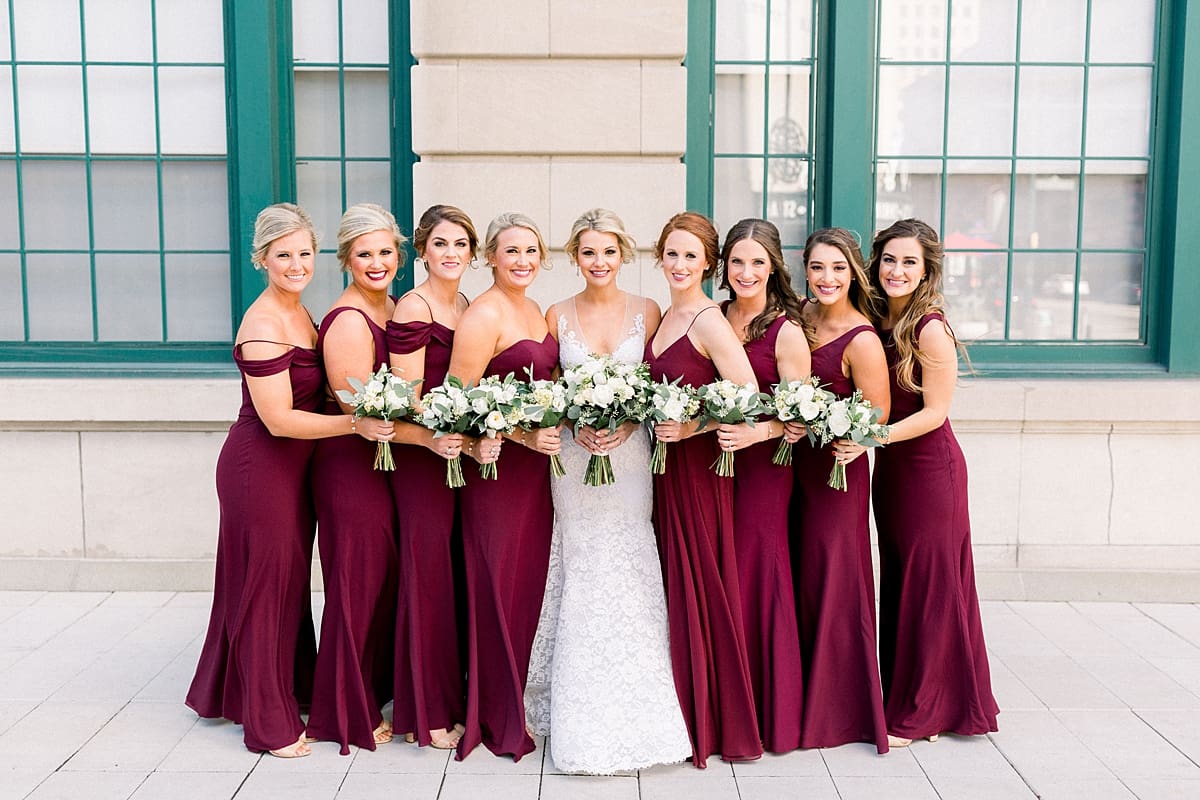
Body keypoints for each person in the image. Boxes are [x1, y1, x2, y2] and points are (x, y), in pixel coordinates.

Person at [186, 204, 394, 759]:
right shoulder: (263, 323)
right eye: (284, 256)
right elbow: (278, 419)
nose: (297, 264)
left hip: (298, 466)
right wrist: (356, 423)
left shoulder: (301, 314)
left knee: (288, 586)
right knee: (266, 589)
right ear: (263, 260)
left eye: (305, 253)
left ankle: (293, 688)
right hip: (261, 467)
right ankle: (268, 721)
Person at [525, 208, 691, 773]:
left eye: (609, 252)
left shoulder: (648, 310)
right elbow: (544, 390)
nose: (600, 262)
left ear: (625, 255)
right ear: (575, 256)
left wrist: (628, 422)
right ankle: (574, 708)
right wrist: (573, 424)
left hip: (629, 459)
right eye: (589, 252)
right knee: (582, 562)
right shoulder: (556, 314)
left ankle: (644, 703)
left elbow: (661, 384)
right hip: (574, 461)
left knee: (629, 557)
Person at [866, 218, 999, 744]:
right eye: (890, 260)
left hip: (929, 471)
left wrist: (873, 438)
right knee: (902, 581)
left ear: (926, 272)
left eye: (909, 263)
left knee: (931, 587)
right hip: (893, 473)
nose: (896, 270)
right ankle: (913, 696)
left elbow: (936, 412)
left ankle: (925, 714)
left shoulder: (929, 328)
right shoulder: (878, 319)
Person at [644, 211, 762, 768]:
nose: (680, 264)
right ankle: (677, 707)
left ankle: (716, 720)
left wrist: (694, 426)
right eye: (672, 253)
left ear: (708, 263)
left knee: (701, 582)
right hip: (663, 470)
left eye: (691, 255)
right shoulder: (666, 315)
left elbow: (748, 393)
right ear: (659, 257)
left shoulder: (708, 319)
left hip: (698, 470)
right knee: (671, 581)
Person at [447, 212, 559, 762]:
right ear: (490, 256)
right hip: (496, 473)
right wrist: (521, 436)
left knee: (526, 589)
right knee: (497, 586)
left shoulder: (536, 310)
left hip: (536, 476)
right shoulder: (483, 314)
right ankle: (495, 714)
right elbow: (458, 400)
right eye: (511, 251)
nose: (522, 261)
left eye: (531, 251)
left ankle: (515, 697)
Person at [788, 227, 894, 753]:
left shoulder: (864, 338)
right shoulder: (798, 319)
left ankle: (840, 709)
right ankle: (795, 696)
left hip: (836, 472)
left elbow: (878, 416)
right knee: (799, 579)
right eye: (816, 268)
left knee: (834, 579)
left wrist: (855, 436)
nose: (826, 278)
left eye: (837, 268)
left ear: (853, 272)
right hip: (789, 469)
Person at [306, 203, 403, 754]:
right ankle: (343, 711)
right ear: (345, 259)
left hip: (382, 462)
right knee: (354, 583)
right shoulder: (347, 319)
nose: (376, 262)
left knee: (378, 579)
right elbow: (363, 413)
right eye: (363, 254)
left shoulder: (390, 306)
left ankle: (369, 686)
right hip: (349, 463)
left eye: (385, 252)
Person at [716, 218, 810, 753]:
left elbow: (796, 421)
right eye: (737, 261)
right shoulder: (714, 316)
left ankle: (768, 711)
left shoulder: (786, 331)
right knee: (724, 573)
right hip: (714, 463)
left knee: (757, 573)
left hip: (763, 469)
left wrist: (758, 432)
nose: (746, 272)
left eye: (757, 261)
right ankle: (727, 702)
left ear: (774, 266)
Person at [388, 205, 477, 750]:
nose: (451, 254)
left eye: (461, 245)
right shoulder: (413, 308)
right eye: (440, 244)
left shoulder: (465, 303)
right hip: (424, 458)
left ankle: (454, 690)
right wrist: (450, 433)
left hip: (459, 456)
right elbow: (409, 398)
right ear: (422, 251)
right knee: (426, 575)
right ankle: (427, 713)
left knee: (452, 572)